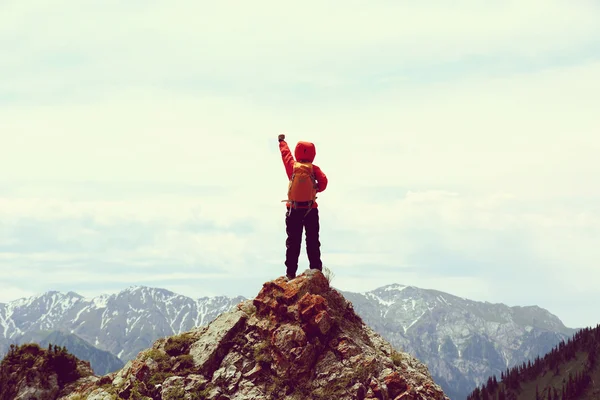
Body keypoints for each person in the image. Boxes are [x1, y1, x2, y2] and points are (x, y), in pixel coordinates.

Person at [278, 133, 328, 280]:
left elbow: (285, 155)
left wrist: (282, 142)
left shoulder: (293, 167)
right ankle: (316, 271)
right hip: (310, 209)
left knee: (293, 242)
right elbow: (324, 182)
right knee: (312, 240)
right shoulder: (314, 169)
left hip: (293, 209)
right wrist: (316, 188)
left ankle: (290, 273)